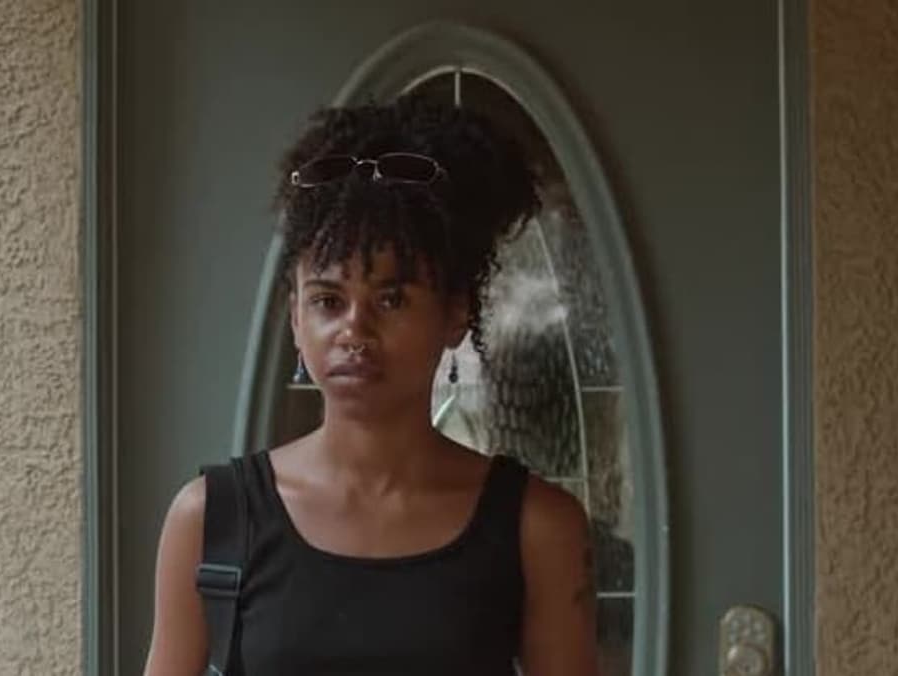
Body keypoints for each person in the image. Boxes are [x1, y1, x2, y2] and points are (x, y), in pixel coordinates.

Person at [142, 93, 600, 675]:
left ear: (455, 313)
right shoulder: (211, 519)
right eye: (328, 300)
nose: (354, 329)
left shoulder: (537, 528)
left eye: (392, 299)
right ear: (295, 317)